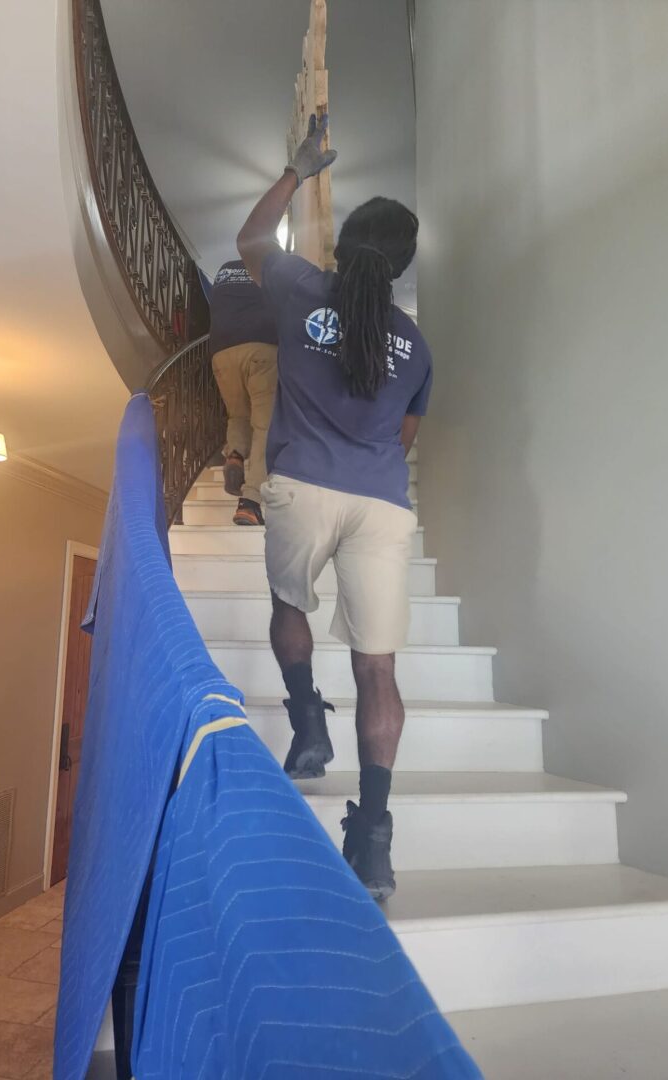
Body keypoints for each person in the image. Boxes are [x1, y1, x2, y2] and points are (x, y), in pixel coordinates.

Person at [236, 115, 431, 900]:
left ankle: (308, 718)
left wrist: (298, 170)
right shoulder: (414, 343)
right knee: (379, 668)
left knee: (290, 601)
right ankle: (374, 838)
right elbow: (407, 434)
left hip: (304, 485)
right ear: (403, 267)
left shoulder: (301, 287)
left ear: (346, 248)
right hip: (382, 503)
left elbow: (252, 240)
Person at [209, 258, 278, 525]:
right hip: (262, 348)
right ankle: (249, 502)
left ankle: (236, 454)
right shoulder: (269, 267)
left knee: (237, 414)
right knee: (264, 426)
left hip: (222, 352)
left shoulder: (225, 268)